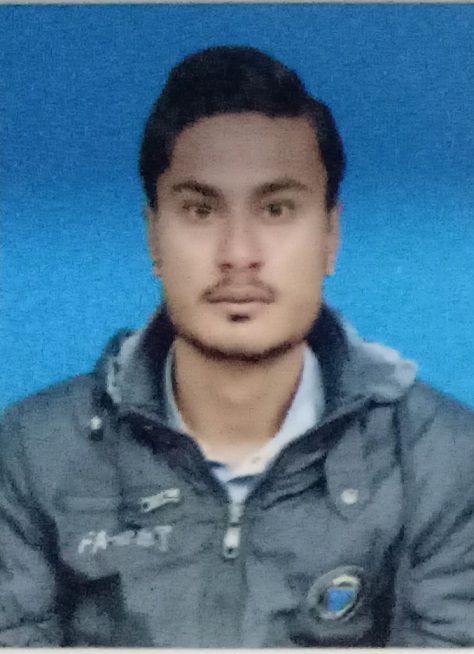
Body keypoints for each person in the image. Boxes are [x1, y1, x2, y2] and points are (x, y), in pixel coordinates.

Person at [1, 45, 473, 648]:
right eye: (200, 210)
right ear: (154, 236)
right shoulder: (31, 450)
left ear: (330, 236)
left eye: (277, 209)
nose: (238, 254)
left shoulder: (444, 459)